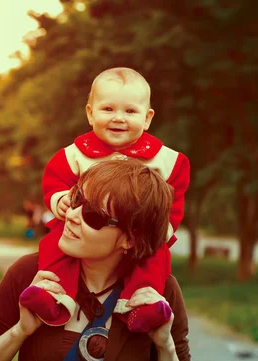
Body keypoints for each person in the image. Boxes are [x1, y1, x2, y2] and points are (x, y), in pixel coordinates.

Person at [0, 159, 197, 361]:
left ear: (130, 239)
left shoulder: (158, 293)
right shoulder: (31, 273)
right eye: (76, 200)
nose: (72, 215)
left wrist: (165, 347)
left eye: (93, 215)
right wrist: (20, 331)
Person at [19, 67, 190, 332]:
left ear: (147, 118)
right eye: (108, 109)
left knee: (154, 258)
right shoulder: (76, 154)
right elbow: (54, 179)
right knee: (56, 244)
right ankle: (53, 292)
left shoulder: (166, 160)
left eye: (130, 111)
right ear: (90, 113)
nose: (118, 118)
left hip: (139, 231)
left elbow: (173, 198)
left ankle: (141, 304)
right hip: (89, 227)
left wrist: (160, 229)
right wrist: (60, 199)